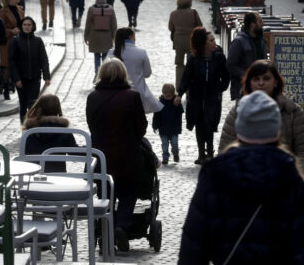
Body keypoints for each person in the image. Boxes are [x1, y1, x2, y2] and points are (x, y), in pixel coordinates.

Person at [174, 90, 304, 265]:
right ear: (276, 130)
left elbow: (191, 257)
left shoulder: (215, 176)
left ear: (239, 129)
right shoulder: (290, 178)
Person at [86, 58, 147, 252]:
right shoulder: (132, 97)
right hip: (128, 156)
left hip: (102, 157)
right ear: (123, 74)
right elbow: (141, 128)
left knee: (105, 195)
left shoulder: (93, 97)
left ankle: (106, 230)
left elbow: (92, 125)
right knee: (129, 193)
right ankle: (121, 226)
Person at [218, 60, 304, 179]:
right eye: (256, 79)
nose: (261, 83)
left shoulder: (292, 112)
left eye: (266, 78)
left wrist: (295, 180)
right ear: (249, 83)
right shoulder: (237, 112)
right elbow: (225, 151)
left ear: (275, 82)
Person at [176, 28, 230, 164]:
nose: (214, 43)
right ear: (203, 43)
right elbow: (186, 77)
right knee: (199, 125)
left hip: (213, 98)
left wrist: (220, 88)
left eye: (214, 40)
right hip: (196, 98)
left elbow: (226, 76)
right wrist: (180, 94)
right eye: (211, 40)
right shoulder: (193, 59)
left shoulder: (219, 57)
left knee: (210, 124)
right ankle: (201, 154)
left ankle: (210, 153)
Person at [108, 27, 163, 113]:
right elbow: (147, 74)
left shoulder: (111, 53)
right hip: (138, 93)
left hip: (116, 93)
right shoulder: (141, 52)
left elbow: (107, 74)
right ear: (131, 37)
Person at [9, 16, 50, 123]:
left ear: (33, 27)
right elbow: (12, 61)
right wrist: (16, 78)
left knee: (32, 104)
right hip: (21, 79)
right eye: (24, 25)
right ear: (21, 26)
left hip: (34, 78)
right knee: (23, 104)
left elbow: (43, 59)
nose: (26, 27)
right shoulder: (16, 41)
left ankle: (32, 126)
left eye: (29, 25)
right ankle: (23, 125)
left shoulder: (38, 41)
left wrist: (46, 76)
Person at [21, 94, 75, 173]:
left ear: (38, 107)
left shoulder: (30, 131)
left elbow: (25, 154)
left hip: (34, 173)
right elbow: (73, 151)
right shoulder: (64, 130)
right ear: (58, 109)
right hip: (58, 173)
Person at [226, 11, 269, 100]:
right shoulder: (239, 41)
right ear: (252, 24)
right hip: (244, 90)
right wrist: (248, 76)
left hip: (261, 88)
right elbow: (231, 65)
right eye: (260, 21)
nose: (263, 24)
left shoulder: (262, 40)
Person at [168, 0, 203, 89]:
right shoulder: (193, 12)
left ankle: (179, 87)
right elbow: (200, 26)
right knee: (190, 64)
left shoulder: (173, 13)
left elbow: (170, 27)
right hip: (191, 40)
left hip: (178, 41)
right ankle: (189, 89)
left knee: (179, 64)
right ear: (188, 2)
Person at [0, 0, 25, 100]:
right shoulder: (3, 11)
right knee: (7, 66)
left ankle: (13, 84)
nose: (18, 1)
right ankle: (5, 88)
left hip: (18, 41)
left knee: (17, 64)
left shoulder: (19, 9)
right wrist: (11, 31)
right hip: (7, 43)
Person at [84, 0, 117, 74]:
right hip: (107, 37)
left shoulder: (91, 9)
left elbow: (88, 24)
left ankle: (97, 73)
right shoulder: (110, 9)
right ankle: (104, 73)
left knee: (97, 56)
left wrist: (86, 37)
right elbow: (114, 25)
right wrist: (115, 37)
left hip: (95, 37)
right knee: (106, 56)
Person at [152, 83, 183, 165]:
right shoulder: (160, 103)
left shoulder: (176, 102)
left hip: (174, 128)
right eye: (166, 96)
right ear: (163, 93)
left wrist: (177, 105)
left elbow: (180, 112)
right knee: (164, 145)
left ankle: (175, 154)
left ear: (173, 94)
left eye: (169, 96)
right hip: (163, 128)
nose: (168, 98)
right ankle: (165, 158)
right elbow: (156, 116)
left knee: (175, 144)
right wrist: (155, 126)